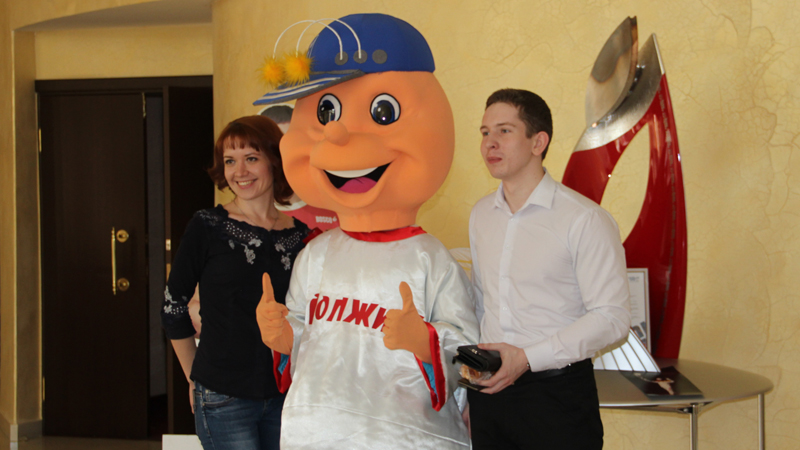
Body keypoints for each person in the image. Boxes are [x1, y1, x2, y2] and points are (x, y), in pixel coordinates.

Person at [467, 89, 631, 449]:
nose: (490, 143)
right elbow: (481, 302)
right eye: (485, 132)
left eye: (504, 131)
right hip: (489, 393)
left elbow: (612, 316)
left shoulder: (584, 219)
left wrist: (527, 359)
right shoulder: (481, 215)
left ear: (538, 142)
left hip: (557, 396)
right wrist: (469, 392)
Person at [161, 115, 309, 450]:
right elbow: (172, 308)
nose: (239, 172)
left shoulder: (301, 237)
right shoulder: (207, 226)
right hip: (222, 397)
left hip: (286, 396)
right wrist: (194, 377)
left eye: (251, 158)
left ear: (275, 161)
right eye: (230, 161)